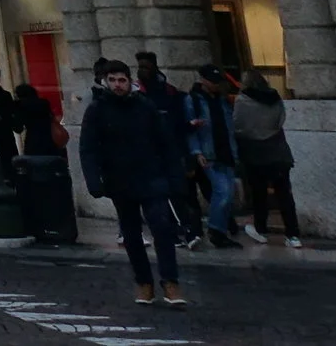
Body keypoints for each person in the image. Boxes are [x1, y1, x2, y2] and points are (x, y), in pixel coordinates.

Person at [79, 59, 186, 308]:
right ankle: (144, 283)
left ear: (130, 82)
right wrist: (94, 181)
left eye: (122, 80)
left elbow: (166, 143)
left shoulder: (145, 106)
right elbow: (88, 149)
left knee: (162, 228)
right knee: (131, 235)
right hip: (120, 180)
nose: (118, 85)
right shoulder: (96, 109)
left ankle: (170, 282)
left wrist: (175, 177)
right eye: (113, 80)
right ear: (106, 82)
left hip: (151, 176)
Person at [134, 51, 200, 244]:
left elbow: (176, 122)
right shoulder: (137, 94)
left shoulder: (168, 92)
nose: (142, 71)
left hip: (170, 149)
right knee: (163, 195)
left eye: (145, 66)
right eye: (140, 67)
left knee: (177, 192)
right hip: (149, 152)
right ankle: (178, 232)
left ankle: (185, 230)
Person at [232, 68, 301, 247]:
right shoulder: (275, 98)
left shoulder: (242, 100)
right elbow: (280, 121)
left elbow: (238, 126)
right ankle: (293, 235)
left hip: (255, 153)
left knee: (259, 194)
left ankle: (261, 230)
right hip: (278, 151)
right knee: (284, 194)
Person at [186, 68, 241, 248]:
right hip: (209, 153)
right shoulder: (192, 100)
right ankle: (216, 230)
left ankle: (220, 230)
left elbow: (229, 127)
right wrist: (197, 152)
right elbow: (190, 130)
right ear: (203, 80)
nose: (216, 84)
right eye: (213, 81)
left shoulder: (222, 100)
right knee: (222, 192)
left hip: (225, 152)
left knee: (228, 194)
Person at [17, 82, 61, 159]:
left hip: (33, 141)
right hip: (49, 139)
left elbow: (18, 128)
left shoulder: (21, 105)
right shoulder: (44, 103)